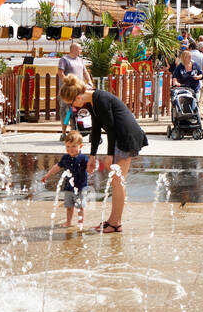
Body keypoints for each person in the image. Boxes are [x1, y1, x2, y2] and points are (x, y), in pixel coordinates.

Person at [59, 75, 148, 233]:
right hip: (121, 137)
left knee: (117, 181)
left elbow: (112, 129)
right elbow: (96, 129)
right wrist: (92, 156)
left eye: (71, 104)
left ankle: (116, 223)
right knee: (116, 181)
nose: (73, 108)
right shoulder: (92, 101)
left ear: (78, 97)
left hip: (126, 137)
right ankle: (113, 220)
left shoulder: (100, 99)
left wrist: (109, 155)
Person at [41, 131, 89, 228]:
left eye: (73, 146)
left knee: (80, 207)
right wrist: (47, 175)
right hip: (68, 187)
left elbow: (90, 168)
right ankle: (69, 221)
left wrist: (91, 168)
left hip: (81, 187)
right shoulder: (65, 158)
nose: (70, 149)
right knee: (69, 206)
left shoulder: (83, 158)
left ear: (81, 146)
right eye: (68, 146)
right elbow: (57, 167)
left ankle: (81, 222)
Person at [57, 41, 92, 141]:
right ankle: (64, 133)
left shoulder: (80, 60)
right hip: (67, 92)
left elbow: (85, 72)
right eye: (79, 49)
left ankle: (75, 131)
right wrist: (68, 83)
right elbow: (61, 73)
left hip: (78, 91)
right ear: (74, 49)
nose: (81, 51)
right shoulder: (64, 59)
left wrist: (89, 82)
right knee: (66, 112)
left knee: (76, 111)